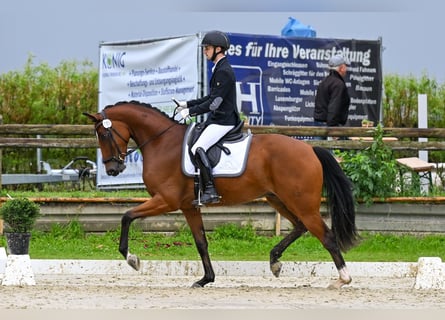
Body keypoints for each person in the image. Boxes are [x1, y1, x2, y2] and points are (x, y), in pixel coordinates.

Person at [177, 30, 241, 205]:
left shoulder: (224, 71)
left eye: (208, 48)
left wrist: (191, 113)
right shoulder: (219, 69)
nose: (205, 51)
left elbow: (214, 104)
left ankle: (211, 190)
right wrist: (187, 104)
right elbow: (209, 98)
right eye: (205, 48)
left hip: (224, 121)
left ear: (218, 49)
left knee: (198, 147)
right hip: (218, 119)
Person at [313, 53, 351, 139]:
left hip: (319, 123)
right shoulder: (338, 85)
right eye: (345, 66)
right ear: (341, 68)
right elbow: (334, 107)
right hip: (329, 126)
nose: (346, 69)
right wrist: (333, 129)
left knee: (318, 151)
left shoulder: (324, 82)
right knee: (332, 152)